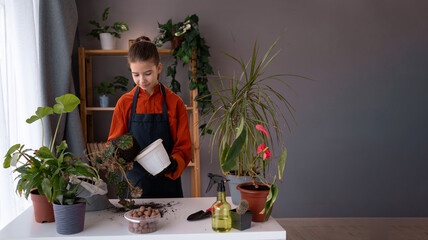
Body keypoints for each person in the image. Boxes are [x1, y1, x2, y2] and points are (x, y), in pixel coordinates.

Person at [108, 36, 191, 198]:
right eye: (136, 75)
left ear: (159, 68)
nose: (141, 80)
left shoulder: (175, 103)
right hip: (135, 185)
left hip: (168, 183)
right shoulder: (124, 103)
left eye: (147, 73)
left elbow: (184, 147)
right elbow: (113, 143)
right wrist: (118, 154)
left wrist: (174, 163)